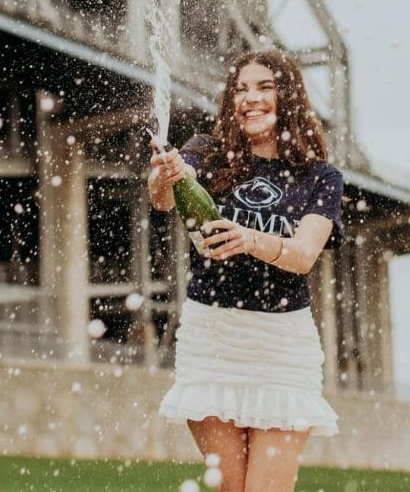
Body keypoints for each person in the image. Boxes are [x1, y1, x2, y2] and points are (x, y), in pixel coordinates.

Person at [148, 48, 343, 492]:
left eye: (264, 87)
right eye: (240, 89)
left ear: (288, 97)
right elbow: (161, 198)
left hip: (281, 345)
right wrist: (166, 172)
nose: (249, 98)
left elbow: (304, 254)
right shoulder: (205, 151)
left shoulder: (320, 177)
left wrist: (249, 239)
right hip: (213, 339)